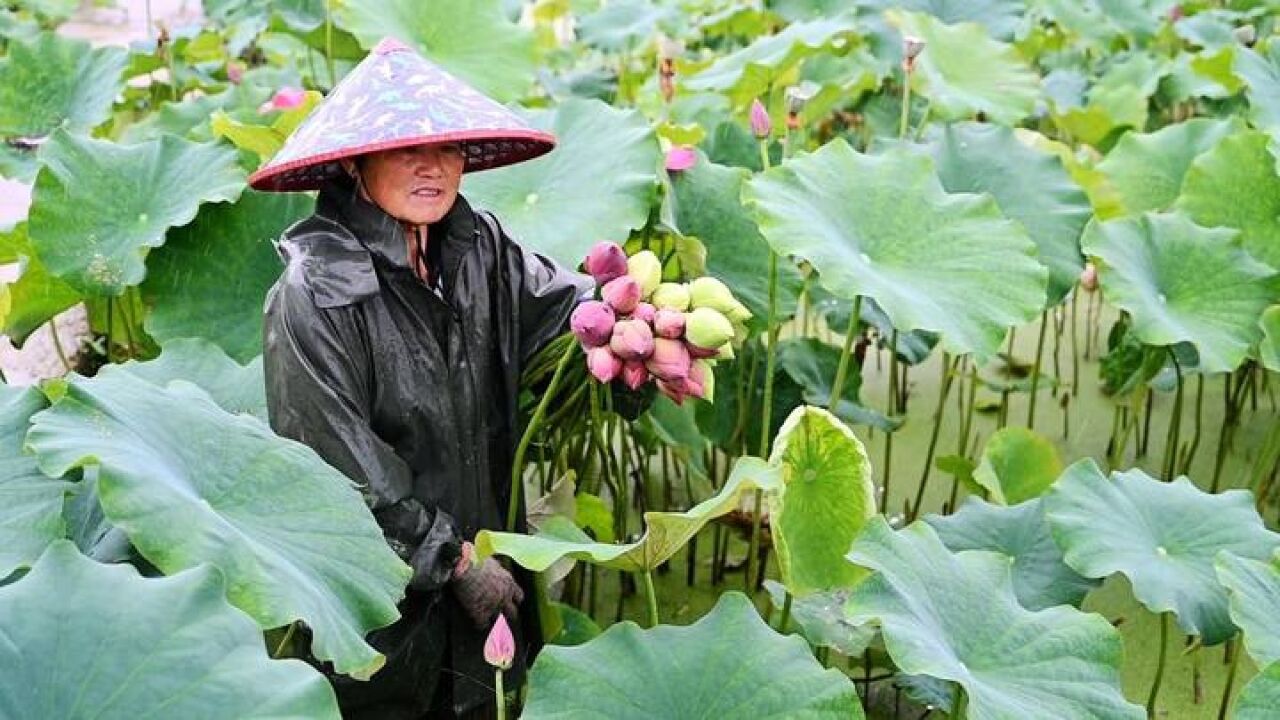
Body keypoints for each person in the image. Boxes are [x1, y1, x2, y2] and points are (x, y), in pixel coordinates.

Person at [249, 38, 591, 719]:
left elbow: (567, 309)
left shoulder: (480, 247)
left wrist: (636, 326)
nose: (432, 166)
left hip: (495, 580)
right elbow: (342, 476)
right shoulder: (314, 293)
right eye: (407, 147)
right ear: (354, 159)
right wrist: (454, 561)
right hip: (382, 615)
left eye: (448, 148)